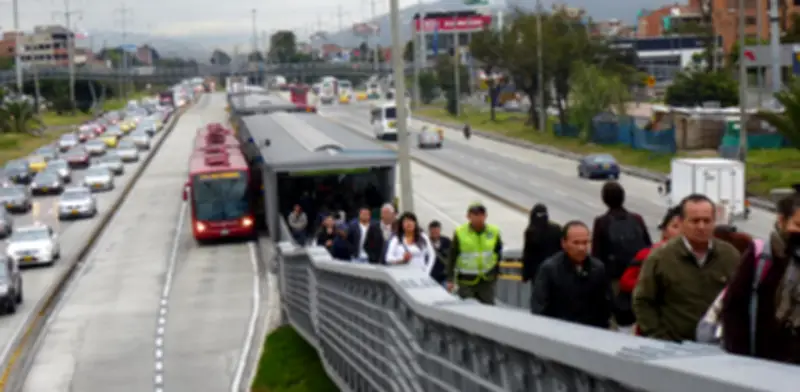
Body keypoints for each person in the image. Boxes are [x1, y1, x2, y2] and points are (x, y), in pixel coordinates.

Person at [633, 194, 740, 342]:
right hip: (673, 348)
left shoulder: (730, 256)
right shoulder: (660, 258)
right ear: (682, 223)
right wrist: (659, 336)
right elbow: (643, 301)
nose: (701, 226)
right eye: (695, 221)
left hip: (717, 349)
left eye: (706, 221)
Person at [721, 194, 800, 363]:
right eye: (798, 225)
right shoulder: (761, 256)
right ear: (781, 221)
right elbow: (734, 308)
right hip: (761, 363)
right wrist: (742, 361)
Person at [530, 221, 612, 328]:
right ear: (564, 243)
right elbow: (539, 307)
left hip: (591, 334)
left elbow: (606, 306)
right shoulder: (550, 269)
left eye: (585, 242)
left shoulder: (598, 268)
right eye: (576, 243)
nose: (581, 248)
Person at [617, 206, 682, 328]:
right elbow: (626, 281)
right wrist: (650, 286)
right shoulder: (649, 254)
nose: (680, 232)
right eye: (675, 226)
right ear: (664, 230)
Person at [591, 181, 652, 294]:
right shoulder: (637, 219)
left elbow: (596, 255)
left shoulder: (601, 222)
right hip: (638, 274)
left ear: (604, 199)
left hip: (615, 277)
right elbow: (648, 246)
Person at [447, 202, 503, 305]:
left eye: (481, 214)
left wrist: (496, 272)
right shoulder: (460, 233)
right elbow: (452, 256)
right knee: (470, 309)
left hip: (487, 280)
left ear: (485, 216)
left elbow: (498, 252)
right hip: (466, 281)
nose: (478, 218)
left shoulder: (493, 232)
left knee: (488, 310)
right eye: (475, 214)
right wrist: (450, 279)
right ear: (468, 216)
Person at [521, 204, 562, 283]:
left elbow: (528, 255)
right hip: (555, 271)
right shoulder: (556, 229)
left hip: (537, 273)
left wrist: (525, 275)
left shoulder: (530, 232)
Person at [427, 221, 451, 287]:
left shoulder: (446, 241)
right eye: (433, 231)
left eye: (436, 231)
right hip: (431, 275)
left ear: (440, 230)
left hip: (444, 276)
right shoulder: (426, 242)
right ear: (429, 231)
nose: (435, 233)